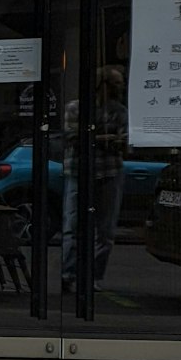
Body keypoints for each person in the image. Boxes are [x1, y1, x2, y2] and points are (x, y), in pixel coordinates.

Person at [62, 64, 128, 287]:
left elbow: (123, 143)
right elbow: (73, 139)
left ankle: (93, 277)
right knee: (73, 226)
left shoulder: (119, 111)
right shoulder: (75, 108)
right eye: (118, 83)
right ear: (104, 85)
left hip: (110, 173)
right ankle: (69, 275)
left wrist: (92, 138)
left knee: (106, 231)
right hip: (80, 173)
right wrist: (106, 139)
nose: (122, 87)